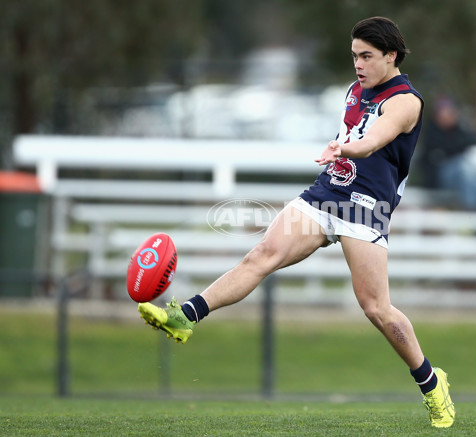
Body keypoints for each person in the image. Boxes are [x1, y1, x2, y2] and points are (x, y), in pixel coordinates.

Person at [138, 17, 455, 428]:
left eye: (367, 56)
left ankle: (432, 383)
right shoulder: (356, 90)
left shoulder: (405, 100)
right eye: (354, 55)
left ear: (391, 56)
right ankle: (187, 316)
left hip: (366, 206)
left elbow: (375, 139)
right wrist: (340, 152)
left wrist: (346, 146)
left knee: (376, 309)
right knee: (261, 254)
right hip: (328, 192)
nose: (358, 64)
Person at [418, 96, 476, 212]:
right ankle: (473, 206)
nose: (445, 116)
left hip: (463, 179)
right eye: (442, 112)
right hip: (442, 180)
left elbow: (473, 140)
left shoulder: (459, 129)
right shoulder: (431, 133)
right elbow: (429, 160)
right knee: (466, 170)